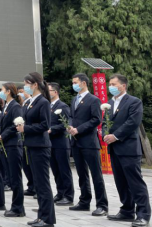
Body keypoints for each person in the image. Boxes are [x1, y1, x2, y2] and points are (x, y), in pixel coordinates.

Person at [104, 74, 151, 227]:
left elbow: (133, 122)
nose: (110, 86)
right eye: (109, 84)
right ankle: (127, 210)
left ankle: (143, 214)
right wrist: (106, 133)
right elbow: (106, 122)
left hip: (128, 147)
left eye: (113, 84)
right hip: (114, 148)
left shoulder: (134, 102)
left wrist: (116, 136)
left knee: (135, 182)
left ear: (123, 86)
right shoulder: (110, 103)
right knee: (121, 181)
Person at [16, 72, 55, 227]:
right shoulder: (29, 102)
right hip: (30, 145)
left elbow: (45, 125)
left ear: (35, 84)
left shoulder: (43, 102)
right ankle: (41, 216)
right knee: (37, 184)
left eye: (27, 84)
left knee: (43, 183)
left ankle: (48, 219)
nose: (25, 87)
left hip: (40, 146)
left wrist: (26, 128)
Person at [68, 73, 108, 216]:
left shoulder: (93, 100)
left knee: (96, 174)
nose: (74, 85)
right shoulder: (74, 99)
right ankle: (84, 201)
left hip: (89, 142)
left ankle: (102, 205)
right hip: (76, 142)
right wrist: (70, 126)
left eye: (75, 82)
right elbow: (71, 116)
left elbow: (96, 119)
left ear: (84, 83)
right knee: (81, 174)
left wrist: (78, 129)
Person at [0, 83, 25, 217]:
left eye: (2, 90)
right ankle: (15, 206)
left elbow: (16, 125)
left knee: (15, 177)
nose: (0, 93)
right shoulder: (6, 106)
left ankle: (18, 208)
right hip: (6, 145)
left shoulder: (15, 106)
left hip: (13, 145)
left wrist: (3, 135)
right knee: (10, 176)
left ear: (8, 92)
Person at [48, 83, 74, 206]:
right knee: (55, 169)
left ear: (56, 92)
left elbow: (65, 124)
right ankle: (60, 192)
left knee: (64, 170)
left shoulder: (62, 106)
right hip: (50, 143)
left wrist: (51, 129)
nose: (47, 93)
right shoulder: (48, 106)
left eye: (49, 91)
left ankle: (68, 196)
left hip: (60, 142)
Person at [18, 86, 35, 196]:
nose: (20, 94)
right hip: (24, 138)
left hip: (30, 136)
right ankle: (31, 185)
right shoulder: (23, 104)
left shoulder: (30, 102)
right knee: (25, 164)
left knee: (31, 164)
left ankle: (35, 187)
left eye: (21, 92)